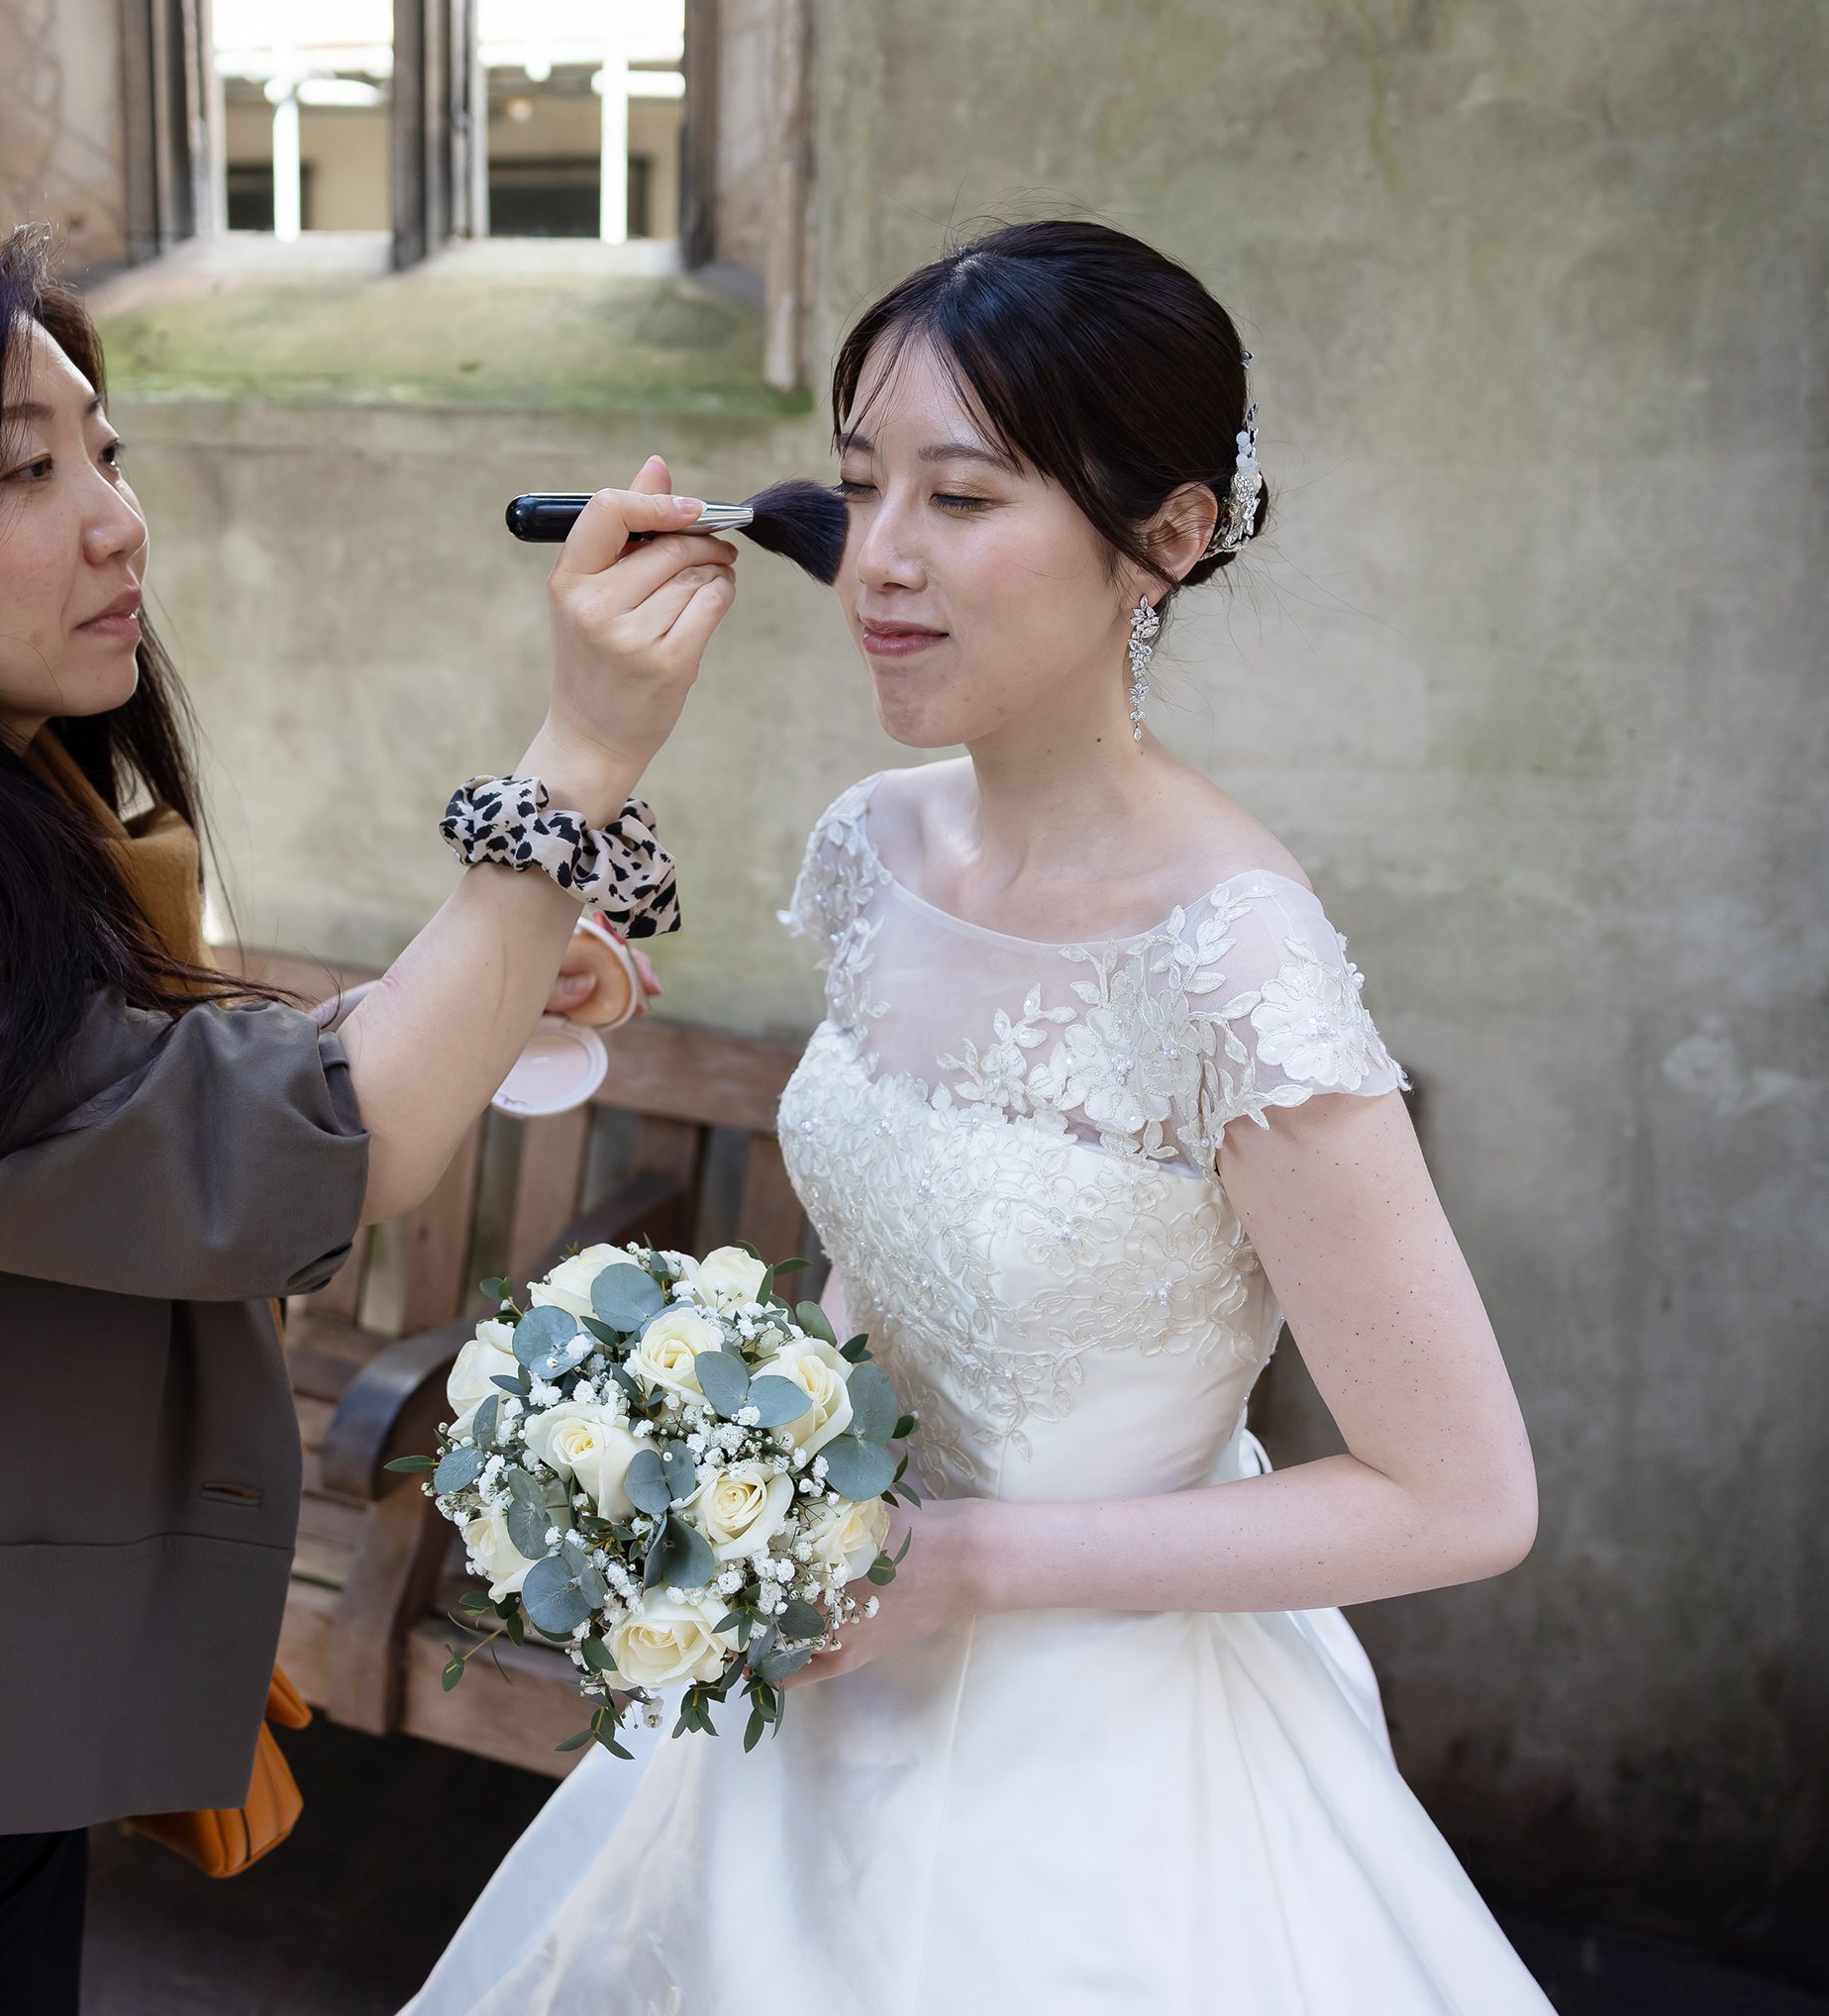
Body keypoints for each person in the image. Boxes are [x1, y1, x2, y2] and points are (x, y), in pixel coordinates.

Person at [0, 222, 736, 2014]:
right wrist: (577, 767)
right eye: (27, 468)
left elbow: (139, 1106)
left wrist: (475, 980)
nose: (118, 520)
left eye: (106, 450)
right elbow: (315, 1147)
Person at [403, 221, 1554, 2014]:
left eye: (963, 498)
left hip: (1097, 1767)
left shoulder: (1234, 949)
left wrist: (968, 1564)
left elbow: (1461, 1494)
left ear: (1164, 541)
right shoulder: (874, 846)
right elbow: (880, 1273)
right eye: (862, 488)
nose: (878, 563)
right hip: (817, 1680)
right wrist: (729, 1453)